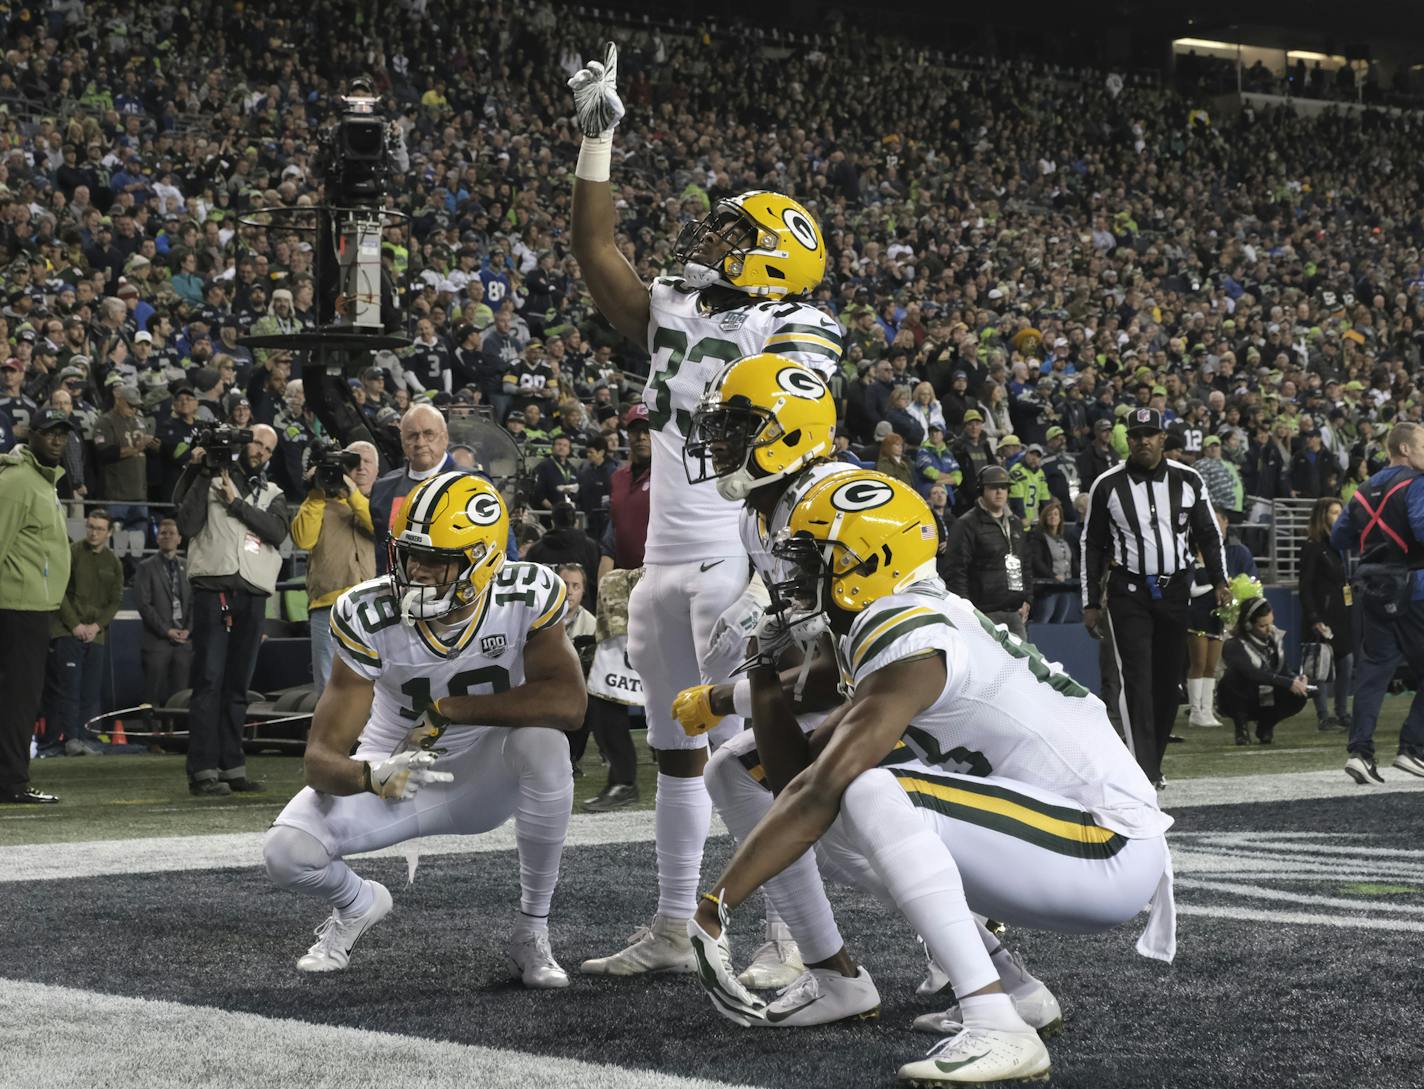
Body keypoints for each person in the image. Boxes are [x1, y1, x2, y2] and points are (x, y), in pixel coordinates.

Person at [685, 472, 1173, 1085]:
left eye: (812, 559)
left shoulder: (907, 633)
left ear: (866, 562)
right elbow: (794, 774)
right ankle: (1004, 988)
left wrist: (714, 905)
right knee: (749, 768)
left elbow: (818, 789)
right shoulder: (905, 618)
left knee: (867, 790)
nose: (794, 579)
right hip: (1054, 835)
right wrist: (758, 673)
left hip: (1107, 845)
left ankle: (995, 1020)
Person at [569, 44, 844, 978]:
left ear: (774, 256)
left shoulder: (794, 323)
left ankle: (786, 939)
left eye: (736, 236)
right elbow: (597, 254)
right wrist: (594, 148)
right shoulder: (682, 300)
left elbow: (792, 411)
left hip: (737, 560)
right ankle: (675, 925)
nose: (714, 244)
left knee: (754, 757)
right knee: (679, 756)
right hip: (663, 565)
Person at [261, 472, 585, 986]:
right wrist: (372, 778)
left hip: (485, 773)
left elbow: (568, 703)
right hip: (397, 771)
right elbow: (320, 761)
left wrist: (449, 710)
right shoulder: (368, 613)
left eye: (436, 559)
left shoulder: (526, 592)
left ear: (481, 561)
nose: (417, 570)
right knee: (286, 853)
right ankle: (358, 903)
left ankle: (532, 930)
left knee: (545, 742)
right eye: (411, 554)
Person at [672, 354, 882, 1014]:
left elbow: (852, 663)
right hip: (850, 696)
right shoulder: (762, 513)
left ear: (786, 433)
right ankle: (833, 967)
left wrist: (726, 697)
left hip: (905, 704)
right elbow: (809, 648)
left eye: (736, 430)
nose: (718, 445)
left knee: (861, 833)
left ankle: (990, 961)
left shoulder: (836, 505)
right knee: (734, 770)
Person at [1081, 408, 1230, 788]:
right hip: (1128, 591)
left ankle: (1153, 763)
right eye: (1136, 435)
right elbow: (1092, 544)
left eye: (1150, 433)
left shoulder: (1189, 479)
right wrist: (1090, 602)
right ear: (1127, 440)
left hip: (1176, 590)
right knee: (1136, 680)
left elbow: (1208, 534)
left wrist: (1220, 581)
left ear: (1163, 438)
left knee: (1168, 684)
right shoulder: (1107, 484)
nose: (1143, 440)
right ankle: (1141, 769)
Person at [174, 423, 288, 797]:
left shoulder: (273, 491)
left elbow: (276, 532)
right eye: (256, 442)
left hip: (252, 594)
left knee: (238, 686)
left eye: (268, 448)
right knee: (209, 682)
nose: (260, 451)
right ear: (244, 443)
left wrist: (235, 504)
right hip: (213, 589)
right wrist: (199, 469)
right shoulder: (208, 478)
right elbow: (186, 523)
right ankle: (204, 770)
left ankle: (232, 766)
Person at [1330, 420, 1424, 783]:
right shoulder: (1416, 484)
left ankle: (1361, 754)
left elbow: (1340, 537)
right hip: (1413, 587)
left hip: (1371, 586)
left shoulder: (1363, 489)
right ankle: (1412, 749)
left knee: (1373, 672)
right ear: (1404, 449)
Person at [0, 409, 76, 804]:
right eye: (50, 434)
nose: (58, 441)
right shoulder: (18, 482)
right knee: (18, 698)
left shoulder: (42, 483)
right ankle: (12, 782)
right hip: (18, 607)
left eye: (63, 435)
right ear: (32, 435)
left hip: (31, 605)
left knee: (17, 697)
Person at [585, 404, 652, 813]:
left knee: (683, 689)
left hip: (666, 591)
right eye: (635, 430)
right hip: (625, 593)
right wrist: (603, 587)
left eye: (647, 430)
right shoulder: (619, 477)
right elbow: (611, 540)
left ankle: (718, 772)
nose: (641, 436)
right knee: (603, 688)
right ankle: (623, 780)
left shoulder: (676, 474)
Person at [291, 441, 379, 694]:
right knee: (329, 688)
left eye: (367, 462)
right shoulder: (318, 502)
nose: (361, 468)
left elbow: (381, 528)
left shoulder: (382, 504)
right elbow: (302, 539)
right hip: (328, 606)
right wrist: (316, 491)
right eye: (354, 462)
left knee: (377, 688)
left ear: (377, 470)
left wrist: (351, 494)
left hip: (374, 607)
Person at [42, 508, 123, 756]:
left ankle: (84, 737)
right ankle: (68, 738)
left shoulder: (114, 562)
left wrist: (97, 626)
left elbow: (115, 600)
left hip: (96, 634)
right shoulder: (72, 553)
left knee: (89, 690)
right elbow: (60, 592)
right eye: (90, 526)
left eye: (99, 528)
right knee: (69, 688)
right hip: (68, 631)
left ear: (109, 533)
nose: (93, 532)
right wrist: (75, 625)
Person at [1184, 508, 1259, 732]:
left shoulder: (1218, 562)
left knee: (1211, 666)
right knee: (1197, 664)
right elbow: (1191, 589)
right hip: (1196, 617)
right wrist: (1217, 588)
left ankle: (1207, 709)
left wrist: (1229, 591)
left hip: (1215, 618)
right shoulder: (1188, 560)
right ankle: (1195, 710)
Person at [945, 465, 1032, 640]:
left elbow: (1025, 563)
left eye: (1004, 487)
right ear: (981, 490)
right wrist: (965, 608)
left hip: (1014, 610)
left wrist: (1027, 598)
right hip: (982, 612)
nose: (999, 492)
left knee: (1021, 665)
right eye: (993, 487)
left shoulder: (1015, 523)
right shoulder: (966, 524)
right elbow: (956, 570)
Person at [370, 404, 457, 575]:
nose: (420, 442)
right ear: (402, 442)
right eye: (412, 436)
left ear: (445, 438)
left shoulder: (471, 484)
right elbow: (382, 553)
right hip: (395, 592)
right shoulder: (382, 489)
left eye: (428, 434)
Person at [1219, 598, 1311, 746]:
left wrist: (1298, 680)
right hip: (1241, 697)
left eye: (1270, 623)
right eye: (1263, 625)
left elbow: (1284, 670)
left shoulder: (1274, 638)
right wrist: (1288, 683)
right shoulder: (1234, 643)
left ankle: (1266, 725)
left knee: (1300, 694)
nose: (1269, 629)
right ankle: (1241, 727)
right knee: (1233, 677)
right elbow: (1251, 673)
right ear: (1248, 625)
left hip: (1266, 696)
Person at [1298, 497, 1353, 733]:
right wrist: (1314, 617)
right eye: (1333, 512)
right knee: (1320, 665)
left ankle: (1342, 712)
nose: (1339, 516)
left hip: (1341, 612)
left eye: (1341, 512)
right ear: (1323, 517)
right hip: (1322, 613)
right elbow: (1306, 586)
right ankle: (1323, 716)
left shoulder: (1339, 545)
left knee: (1346, 661)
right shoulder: (1313, 546)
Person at [133, 517, 194, 713]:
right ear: (157, 539)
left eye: (171, 533)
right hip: (157, 643)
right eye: (163, 533)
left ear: (179, 539)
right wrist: (166, 630)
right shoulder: (145, 567)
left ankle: (178, 738)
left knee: (182, 697)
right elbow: (144, 604)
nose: (167, 536)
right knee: (152, 697)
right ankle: (152, 740)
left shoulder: (189, 566)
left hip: (184, 644)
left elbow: (195, 602)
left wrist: (188, 630)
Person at [557, 562, 599, 777]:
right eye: (565, 584)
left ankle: (572, 757)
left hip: (575, 687)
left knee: (589, 703)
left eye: (576, 586)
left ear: (583, 591)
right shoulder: (539, 617)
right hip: (543, 683)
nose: (571, 591)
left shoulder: (592, 623)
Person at [1028, 499, 1078, 623]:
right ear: (1044, 517)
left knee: (1059, 623)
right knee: (1043, 621)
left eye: (1056, 514)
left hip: (1065, 587)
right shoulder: (1037, 537)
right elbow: (1036, 561)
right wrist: (1052, 577)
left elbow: (1072, 561)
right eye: (1049, 514)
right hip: (1048, 589)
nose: (1053, 517)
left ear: (1060, 518)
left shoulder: (1064, 538)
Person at [1008, 443, 1050, 528]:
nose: (1034, 458)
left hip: (1034, 521)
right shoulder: (1017, 470)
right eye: (1032, 454)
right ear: (1025, 455)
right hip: (1018, 519)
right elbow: (1016, 497)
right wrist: (1022, 517)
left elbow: (1044, 497)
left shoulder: (1040, 473)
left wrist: (1045, 518)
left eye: (1038, 456)